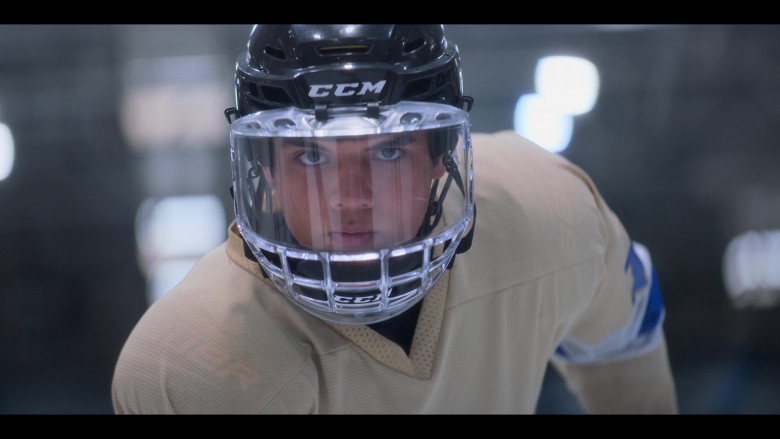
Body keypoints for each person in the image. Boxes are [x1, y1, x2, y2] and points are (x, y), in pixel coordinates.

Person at [111, 24, 678, 414]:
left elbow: (625, 338)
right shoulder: (188, 366)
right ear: (266, 171)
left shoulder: (547, 215)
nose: (348, 198)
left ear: (439, 156)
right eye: (310, 156)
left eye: (386, 151)